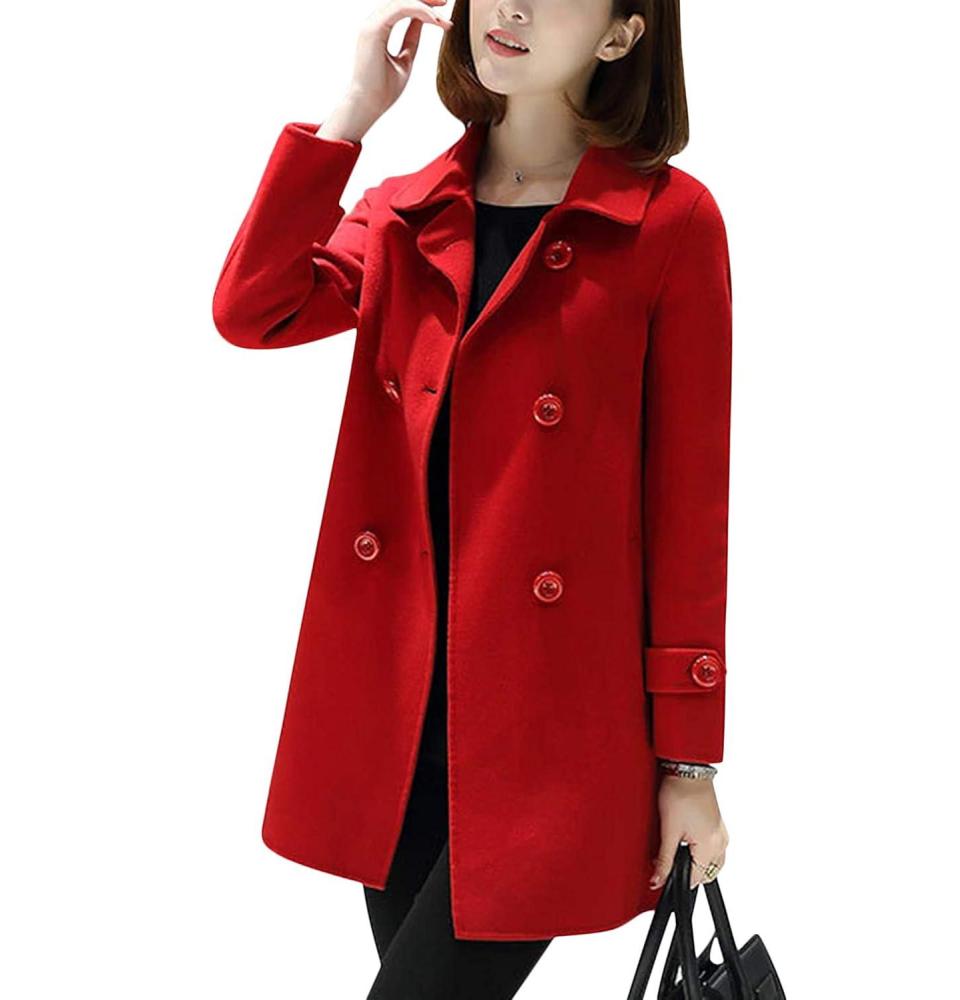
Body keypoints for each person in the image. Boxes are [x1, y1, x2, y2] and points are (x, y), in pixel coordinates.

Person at [212, 2, 732, 997]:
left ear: (622, 35)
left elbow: (690, 511)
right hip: (397, 716)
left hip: (558, 730)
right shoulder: (407, 214)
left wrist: (689, 765)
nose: (513, 5)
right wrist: (351, 115)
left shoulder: (668, 223)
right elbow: (253, 306)